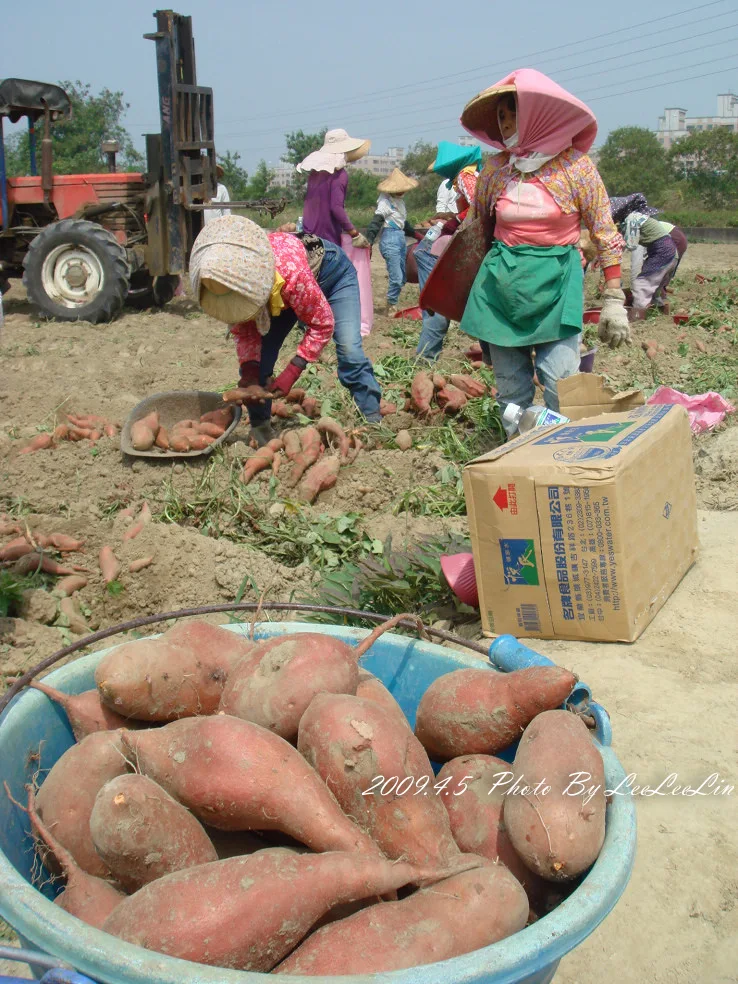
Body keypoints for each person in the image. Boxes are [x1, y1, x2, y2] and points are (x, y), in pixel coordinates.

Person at [458, 69, 629, 416]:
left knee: (559, 382)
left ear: (537, 116)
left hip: (557, 281)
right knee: (511, 390)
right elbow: (477, 230)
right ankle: (515, 457)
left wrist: (613, 298)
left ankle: (560, 456)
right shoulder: (496, 169)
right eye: (501, 117)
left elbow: (605, 232)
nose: (504, 124)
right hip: (501, 286)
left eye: (512, 115)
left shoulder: (575, 168)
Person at [189, 216, 382, 444]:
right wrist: (250, 373)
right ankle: (261, 429)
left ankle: (372, 420)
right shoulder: (234, 286)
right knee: (260, 361)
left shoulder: (291, 276)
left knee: (350, 350)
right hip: (285, 292)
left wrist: (293, 371)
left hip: (333, 275)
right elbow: (245, 331)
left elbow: (322, 324)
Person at [415, 142, 484, 360]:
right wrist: (455, 222)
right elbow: (477, 208)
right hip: (434, 249)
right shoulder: (466, 176)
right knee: (437, 311)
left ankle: (491, 359)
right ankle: (424, 362)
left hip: (441, 244)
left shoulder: (469, 176)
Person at [610, 194, 688, 318]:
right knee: (655, 287)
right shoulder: (638, 217)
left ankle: (637, 315)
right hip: (670, 253)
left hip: (662, 252)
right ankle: (659, 311)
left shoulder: (632, 219)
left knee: (641, 284)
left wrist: (615, 245)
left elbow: (631, 245)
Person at [297, 129, 371, 247]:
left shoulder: (314, 173)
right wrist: (354, 233)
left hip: (308, 237)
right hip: (327, 240)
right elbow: (336, 208)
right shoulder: (339, 175)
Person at [364, 168, 424, 316]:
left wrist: (417, 235)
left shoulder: (400, 202)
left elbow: (403, 224)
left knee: (402, 277)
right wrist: (369, 241)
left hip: (400, 238)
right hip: (389, 240)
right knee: (396, 278)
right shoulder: (384, 203)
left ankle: (392, 300)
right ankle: (391, 306)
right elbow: (376, 222)